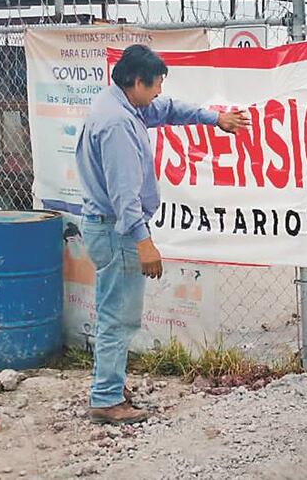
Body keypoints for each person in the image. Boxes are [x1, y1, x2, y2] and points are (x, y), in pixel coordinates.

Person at [75, 44, 250, 424]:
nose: (158, 92)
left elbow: (167, 109)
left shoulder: (119, 103)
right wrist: (144, 241)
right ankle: (106, 398)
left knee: (114, 312)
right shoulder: (118, 124)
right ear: (137, 82)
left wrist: (213, 119)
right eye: (154, 85)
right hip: (116, 231)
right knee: (119, 317)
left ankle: (109, 387)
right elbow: (124, 193)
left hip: (107, 228)